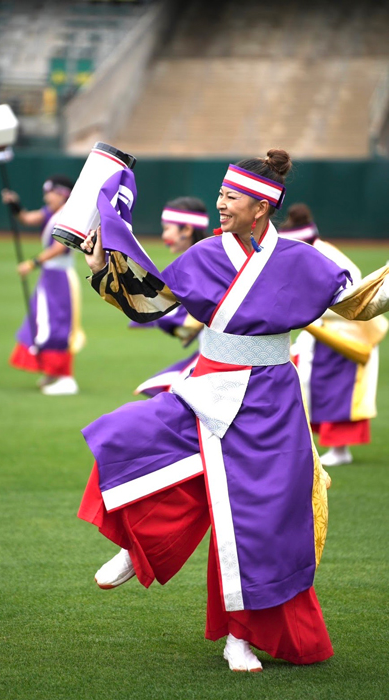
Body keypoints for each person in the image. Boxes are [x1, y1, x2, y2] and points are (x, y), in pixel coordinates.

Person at [77, 149, 389, 673]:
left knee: (261, 523)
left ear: (261, 207)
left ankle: (239, 638)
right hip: (208, 387)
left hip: (273, 404)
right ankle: (138, 544)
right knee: (130, 436)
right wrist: (101, 267)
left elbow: (359, 304)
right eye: (220, 193)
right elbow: (151, 302)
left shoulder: (304, 262)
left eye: (230, 196)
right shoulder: (205, 254)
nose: (219, 203)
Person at [280, 204, 388, 466]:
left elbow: (348, 300)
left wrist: (302, 311)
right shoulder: (313, 252)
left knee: (338, 391)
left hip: (345, 334)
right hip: (324, 335)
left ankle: (340, 450)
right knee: (312, 385)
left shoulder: (323, 257)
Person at [1, 175, 85, 395]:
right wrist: (14, 205)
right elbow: (28, 219)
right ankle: (51, 373)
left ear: (62, 194)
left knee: (57, 325)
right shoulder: (51, 213)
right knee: (42, 321)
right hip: (49, 277)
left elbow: (60, 247)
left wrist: (33, 262)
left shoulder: (70, 216)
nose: (46, 197)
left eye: (49, 192)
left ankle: (65, 377)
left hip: (60, 278)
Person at [131, 196, 208, 397]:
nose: (164, 235)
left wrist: (156, 318)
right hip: (211, 355)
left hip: (219, 362)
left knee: (165, 395)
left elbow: (186, 322)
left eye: (167, 228)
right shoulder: (203, 258)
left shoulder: (199, 264)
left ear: (187, 230)